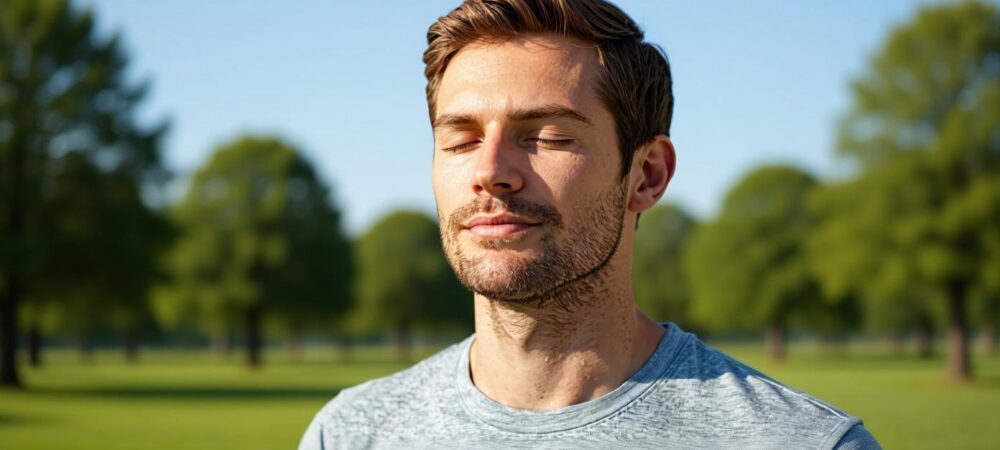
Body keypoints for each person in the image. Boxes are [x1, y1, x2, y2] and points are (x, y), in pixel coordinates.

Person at [300, 0, 881, 448]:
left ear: (647, 175)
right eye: (461, 140)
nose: (491, 171)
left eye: (549, 137)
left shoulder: (801, 441)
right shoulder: (350, 435)